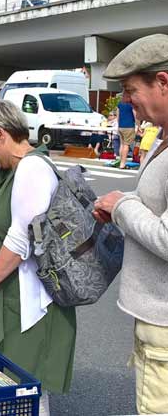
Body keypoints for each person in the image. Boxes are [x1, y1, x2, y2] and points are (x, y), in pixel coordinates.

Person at [0, 99, 76, 416]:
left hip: (26, 297)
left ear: (2, 135)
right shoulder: (4, 169)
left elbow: (22, 236)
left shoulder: (32, 169)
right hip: (4, 292)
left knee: (25, 389)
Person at [93, 34, 168, 415]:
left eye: (130, 89)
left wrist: (121, 204)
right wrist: (126, 206)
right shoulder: (161, 138)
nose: (126, 101)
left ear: (163, 82)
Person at [117, 99, 137, 168]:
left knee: (122, 144)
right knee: (126, 145)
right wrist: (138, 124)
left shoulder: (120, 103)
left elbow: (118, 115)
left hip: (121, 126)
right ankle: (122, 164)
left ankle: (120, 161)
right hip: (129, 126)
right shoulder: (131, 103)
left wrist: (118, 124)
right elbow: (135, 114)